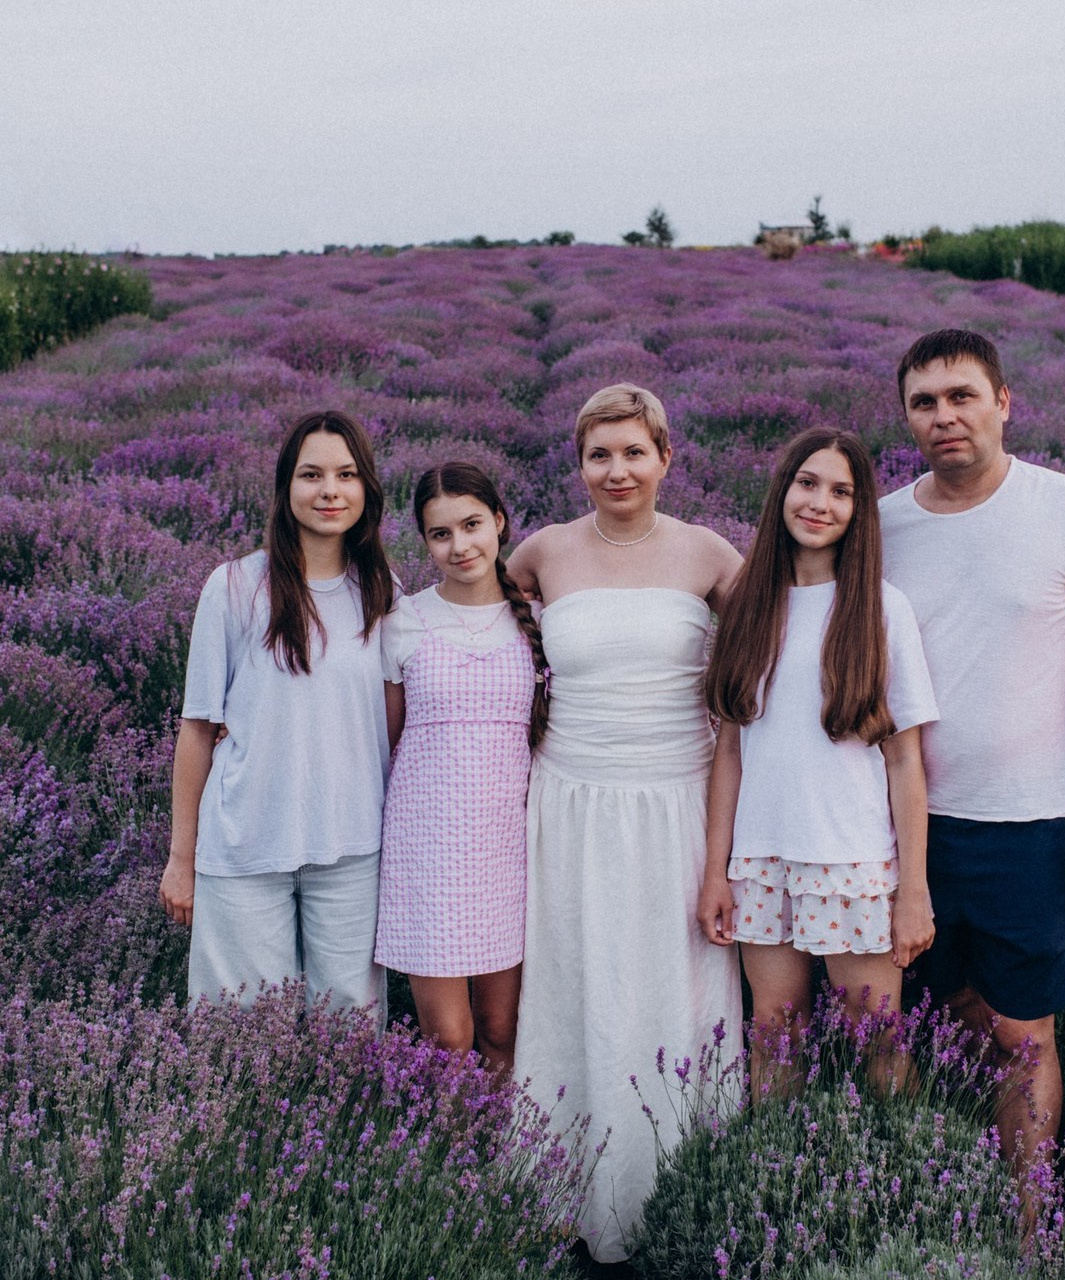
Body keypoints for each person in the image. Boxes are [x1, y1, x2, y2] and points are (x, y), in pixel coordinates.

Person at [879, 329, 1065, 1182]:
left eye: (962, 396)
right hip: (904, 829)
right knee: (936, 1023)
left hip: (1024, 823)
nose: (944, 416)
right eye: (925, 402)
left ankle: (1026, 1231)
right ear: (908, 417)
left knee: (1024, 1035)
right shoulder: (882, 524)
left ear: (1002, 402)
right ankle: (944, 1202)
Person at [508, 383, 744, 1264]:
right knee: (572, 987)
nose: (617, 470)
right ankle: (567, 1197)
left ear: (667, 458)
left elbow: (775, 643)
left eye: (633, 452)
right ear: (578, 464)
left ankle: (677, 1194)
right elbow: (470, 620)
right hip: (568, 803)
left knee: (673, 993)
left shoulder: (709, 554)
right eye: (598, 455)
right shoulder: (542, 552)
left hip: (677, 805)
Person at [699, 428, 937, 1101]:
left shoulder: (880, 610)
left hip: (850, 862)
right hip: (764, 860)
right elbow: (731, 750)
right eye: (808, 484)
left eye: (841, 492)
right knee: (776, 1030)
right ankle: (773, 1169)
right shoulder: (749, 605)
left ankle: (911, 1176)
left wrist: (912, 890)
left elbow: (904, 762)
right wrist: (717, 871)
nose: (820, 503)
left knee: (877, 1034)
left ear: (859, 512)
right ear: (782, 491)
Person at [159, 409, 396, 1024]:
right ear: (285, 487)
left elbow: (397, 722)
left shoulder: (382, 589)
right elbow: (197, 728)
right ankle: (246, 1127)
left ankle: (343, 1127)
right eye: (311, 474)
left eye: (346, 475)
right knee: (237, 1031)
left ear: (366, 487)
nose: (329, 491)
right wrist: (181, 857)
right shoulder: (235, 586)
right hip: (244, 842)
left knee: (351, 1033)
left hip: (351, 846)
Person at [376, 463, 548, 1077]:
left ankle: (507, 1165)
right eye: (441, 534)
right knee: (447, 1037)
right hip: (427, 856)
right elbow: (384, 742)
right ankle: (455, 1165)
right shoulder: (402, 623)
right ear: (425, 543)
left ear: (499, 522)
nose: (460, 546)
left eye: (472, 525)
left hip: (508, 851)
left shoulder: (539, 625)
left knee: (504, 1029)